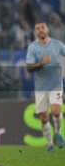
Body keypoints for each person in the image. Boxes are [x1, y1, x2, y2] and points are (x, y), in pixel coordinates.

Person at [26, 21, 65, 153]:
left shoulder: (57, 44)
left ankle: (58, 133)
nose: (40, 30)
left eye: (42, 27)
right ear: (35, 32)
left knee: (56, 111)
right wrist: (41, 64)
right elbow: (29, 68)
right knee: (43, 118)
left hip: (55, 84)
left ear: (47, 29)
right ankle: (50, 144)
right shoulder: (32, 47)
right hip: (41, 87)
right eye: (37, 28)